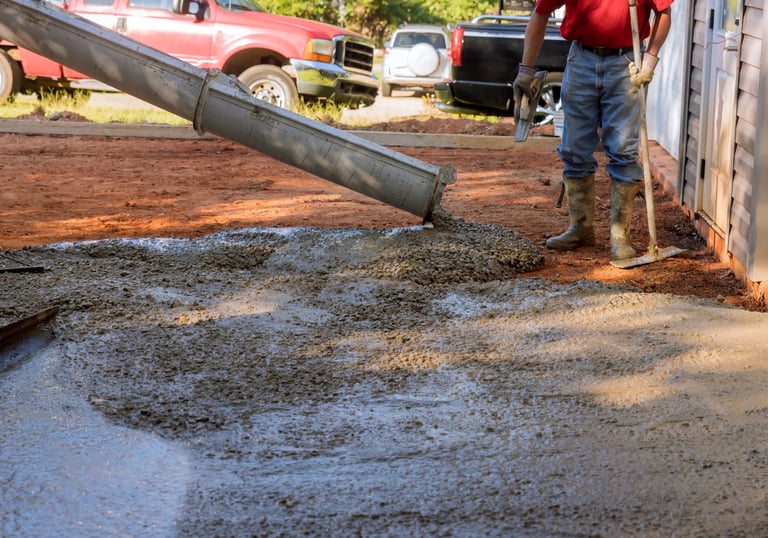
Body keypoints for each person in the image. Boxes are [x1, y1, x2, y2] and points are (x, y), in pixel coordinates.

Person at [513, 0, 673, 261]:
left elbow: (664, 12)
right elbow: (541, 13)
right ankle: (581, 228)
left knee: (623, 151)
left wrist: (650, 61)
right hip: (581, 60)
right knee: (574, 149)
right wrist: (525, 69)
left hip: (626, 63)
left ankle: (620, 238)